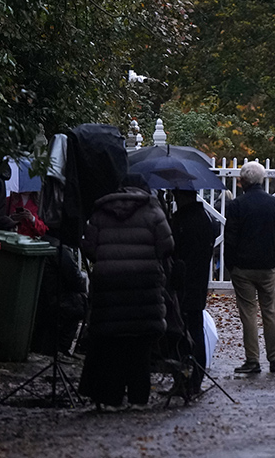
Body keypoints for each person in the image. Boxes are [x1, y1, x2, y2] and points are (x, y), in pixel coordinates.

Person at [78, 174, 174, 410]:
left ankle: (111, 398)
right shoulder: (153, 211)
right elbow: (167, 246)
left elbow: (88, 247)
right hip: (144, 286)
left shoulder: (101, 212)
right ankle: (138, 398)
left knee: (111, 345)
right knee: (140, 345)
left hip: (109, 286)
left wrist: (108, 258)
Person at [225, 161, 275, 374]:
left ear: (243, 181)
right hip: (268, 266)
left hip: (242, 267)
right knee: (270, 312)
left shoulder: (236, 205)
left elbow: (230, 239)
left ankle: (252, 359)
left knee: (248, 313)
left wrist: (230, 265)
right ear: (262, 179)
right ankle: (274, 358)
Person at [171, 189, 221, 395]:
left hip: (182, 283)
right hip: (198, 282)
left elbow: (173, 251)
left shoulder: (182, 221)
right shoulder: (206, 219)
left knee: (182, 333)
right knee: (196, 328)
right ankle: (195, 379)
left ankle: (184, 379)